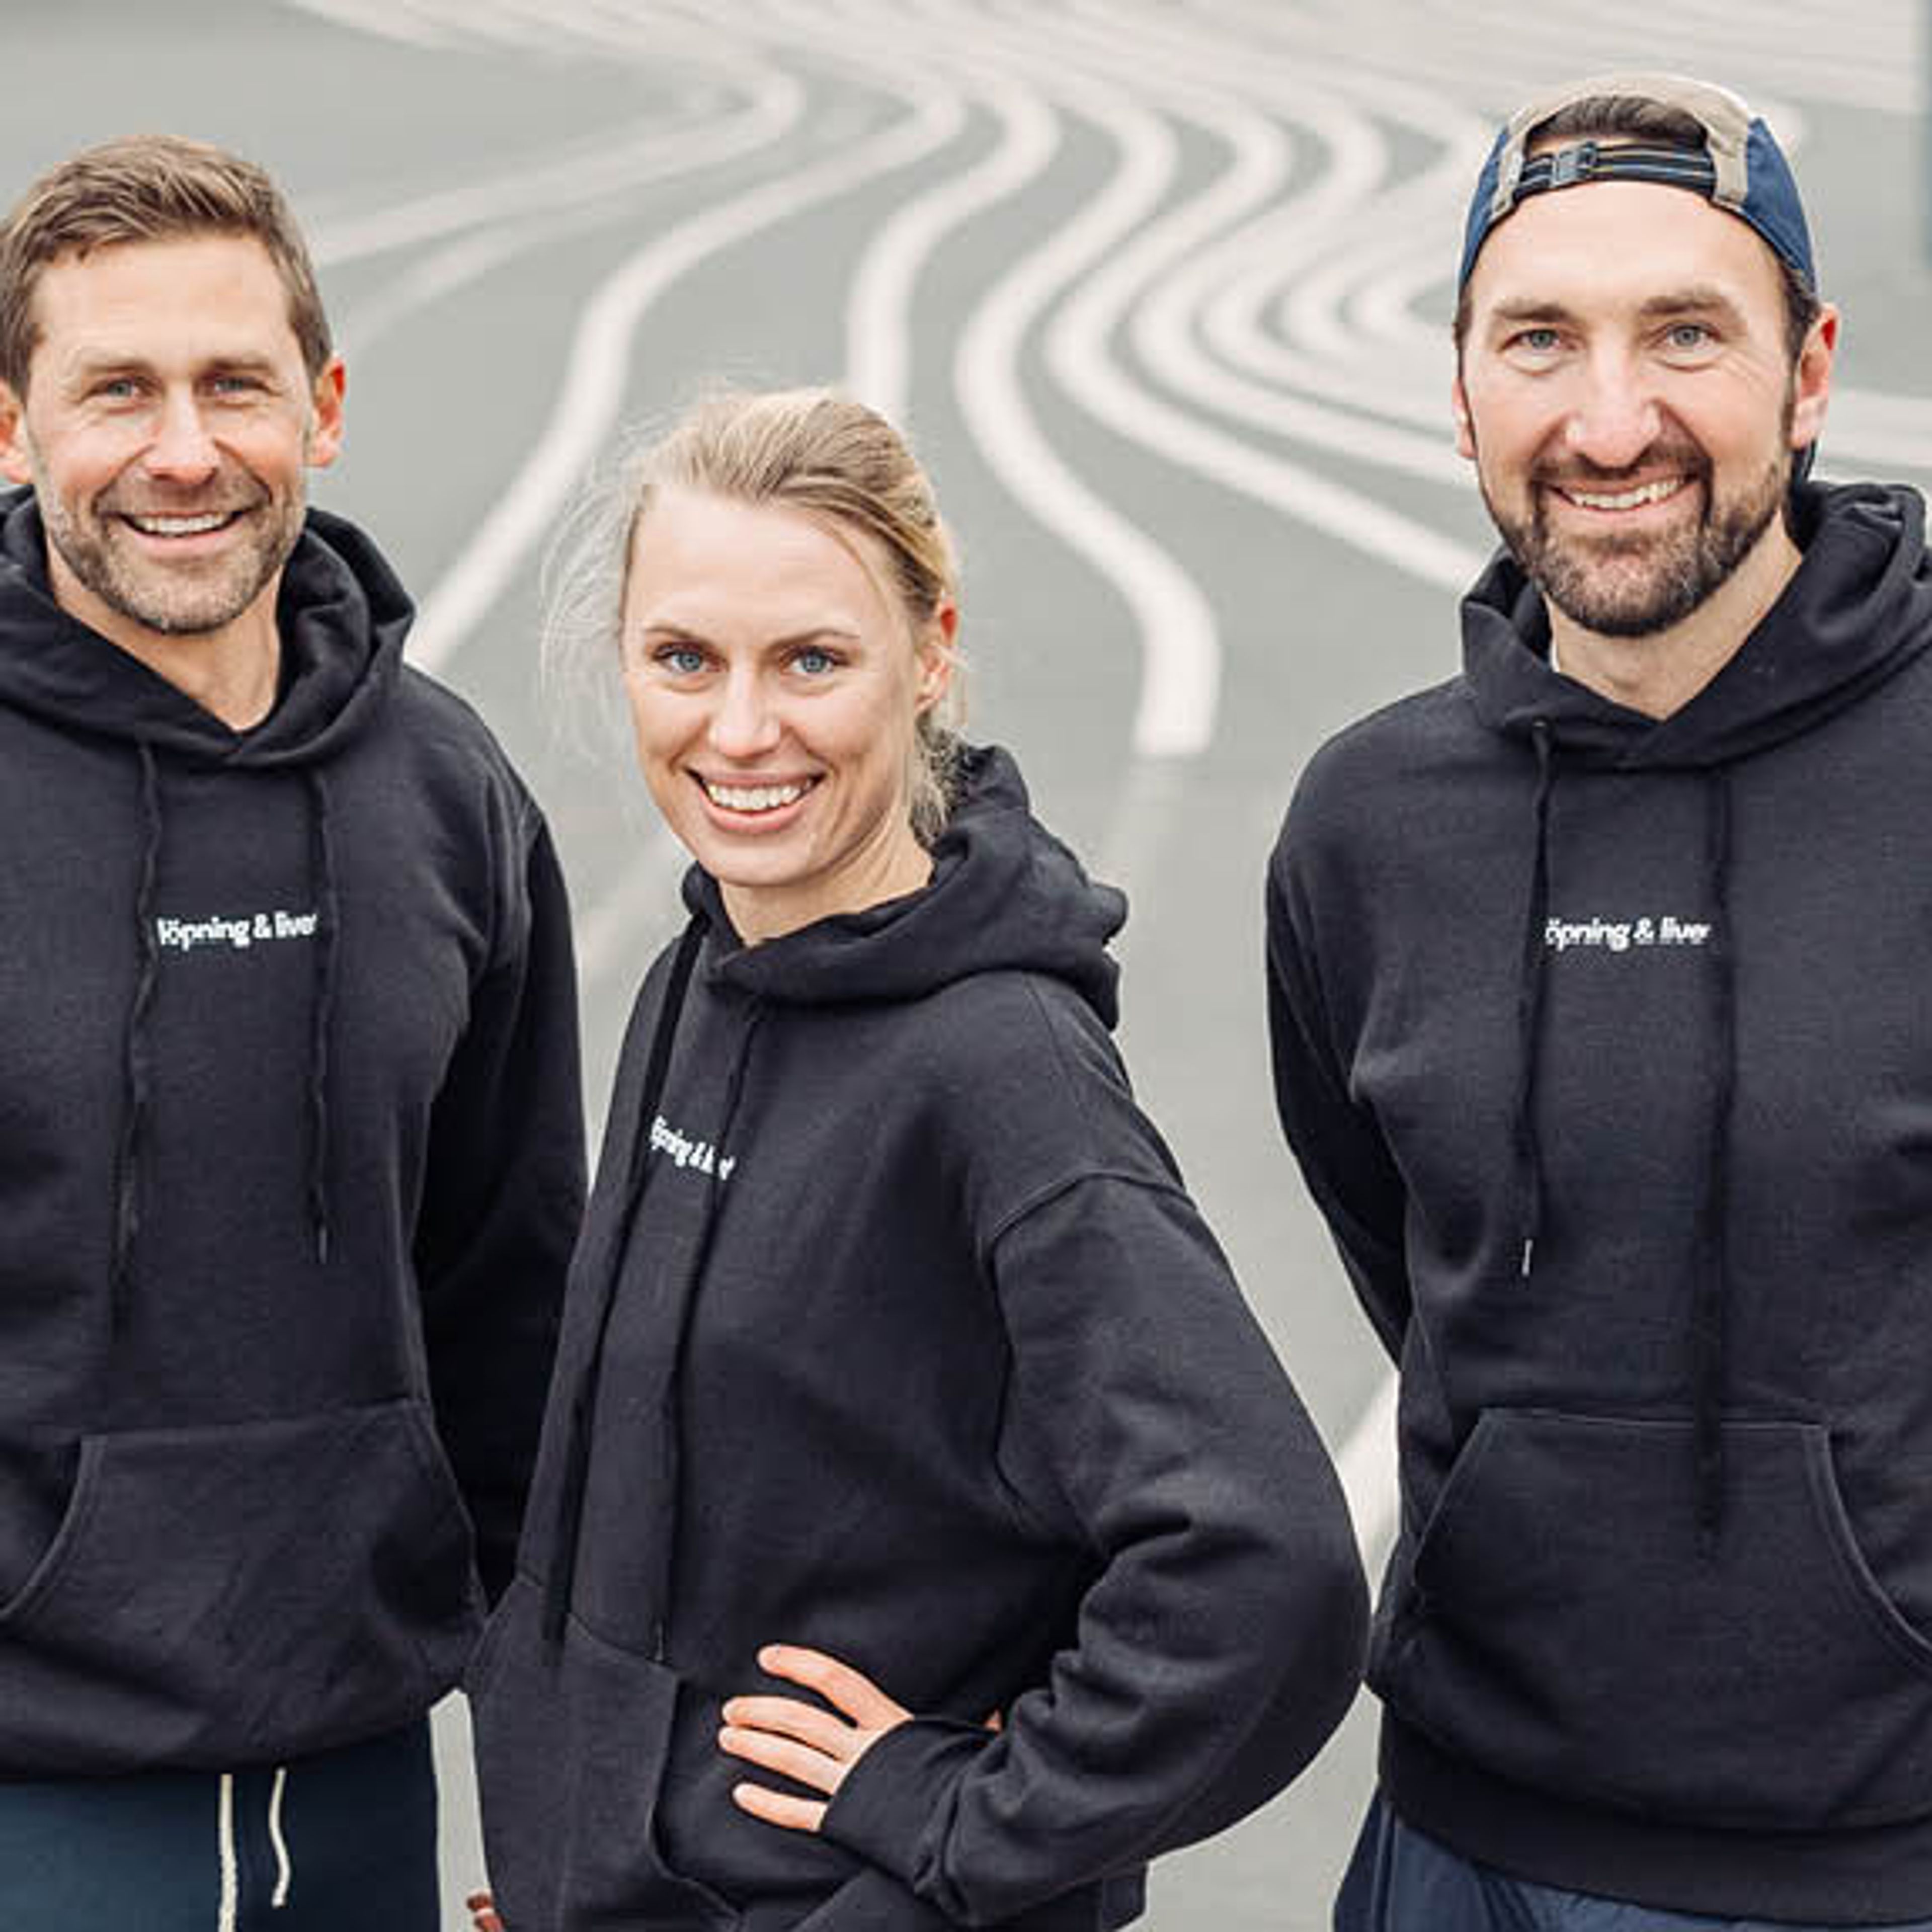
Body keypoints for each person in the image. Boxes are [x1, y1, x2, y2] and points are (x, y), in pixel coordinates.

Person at [467, 386, 1367, 1932]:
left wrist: (960, 1818)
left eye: (811, 660)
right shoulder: (702, 975)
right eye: (684, 659)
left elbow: (1263, 1568)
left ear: (930, 652)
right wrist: (574, 1861)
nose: (739, 730)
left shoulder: (1003, 1072)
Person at [1266, 68, 1932, 1930]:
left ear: (1809, 374)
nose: (1610, 418)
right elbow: (1407, 1256)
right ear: (1462, 386)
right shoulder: (1366, 826)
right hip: (1450, 1844)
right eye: (1540, 338)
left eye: (1687, 334)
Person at [0, 135, 583, 1927]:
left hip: (359, 1777)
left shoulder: (448, 795)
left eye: (234, 384)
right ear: (14, 428)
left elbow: (517, 1318)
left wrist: (566, 1814)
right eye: (117, 391)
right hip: (32, 1792)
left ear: (322, 408)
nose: (184, 450)